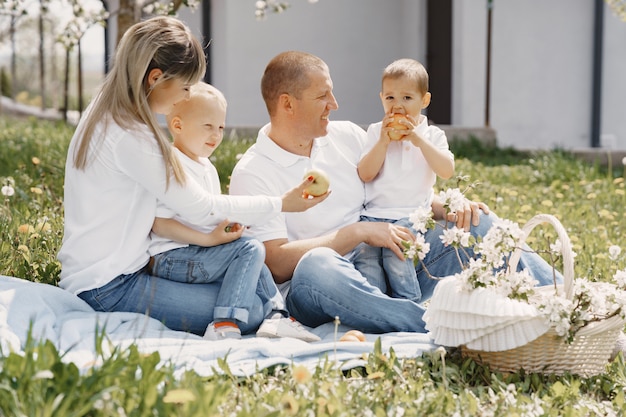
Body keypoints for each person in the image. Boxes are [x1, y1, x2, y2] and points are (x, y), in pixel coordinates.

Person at [229, 50, 559, 334]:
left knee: (480, 223)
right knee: (318, 264)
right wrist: (356, 233)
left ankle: (565, 303)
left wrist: (447, 208)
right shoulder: (253, 171)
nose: (334, 103)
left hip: (391, 258)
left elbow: (392, 192)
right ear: (287, 104)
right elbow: (276, 263)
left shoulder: (345, 136)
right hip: (323, 287)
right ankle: (433, 323)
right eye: (322, 96)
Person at [57, 18, 326, 338]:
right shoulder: (130, 136)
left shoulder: (105, 113)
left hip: (106, 275)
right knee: (250, 310)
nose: (185, 98)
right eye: (185, 87)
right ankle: (265, 317)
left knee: (246, 288)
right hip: (108, 288)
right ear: (155, 78)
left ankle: (277, 315)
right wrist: (282, 203)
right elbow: (201, 207)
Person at [149, 82, 319, 341]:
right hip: (171, 258)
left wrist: (230, 228)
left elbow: (210, 215)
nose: (216, 135)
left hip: (198, 254)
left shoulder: (206, 167)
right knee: (249, 248)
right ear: (178, 126)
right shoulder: (173, 165)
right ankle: (223, 325)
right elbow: (160, 224)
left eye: (220, 127)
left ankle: (276, 316)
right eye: (207, 126)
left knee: (250, 244)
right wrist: (208, 240)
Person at [354, 58, 455, 302]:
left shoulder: (431, 135)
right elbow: (365, 173)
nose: (397, 106)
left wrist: (418, 140)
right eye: (390, 98)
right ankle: (377, 311)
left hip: (411, 216)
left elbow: (446, 170)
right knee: (367, 265)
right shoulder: (376, 132)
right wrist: (383, 142)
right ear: (381, 98)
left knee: (396, 257)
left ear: (425, 100)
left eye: (407, 98)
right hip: (373, 216)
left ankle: (410, 309)